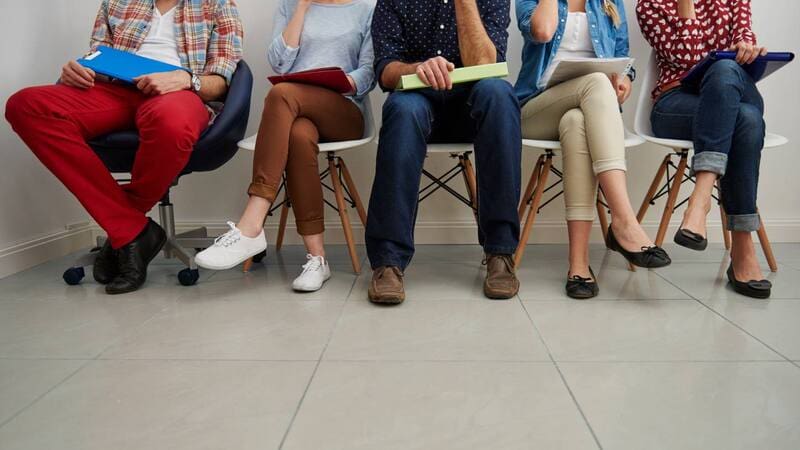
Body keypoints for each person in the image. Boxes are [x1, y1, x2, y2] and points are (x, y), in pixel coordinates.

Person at [5, 0, 243, 295]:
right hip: (114, 92)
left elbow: (222, 81)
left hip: (177, 93)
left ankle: (125, 230)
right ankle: (132, 230)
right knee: (26, 106)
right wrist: (78, 69)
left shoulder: (218, 4)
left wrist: (186, 78)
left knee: (171, 122)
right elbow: (97, 58)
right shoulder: (117, 2)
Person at [195, 0, 375, 292]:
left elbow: (369, 72)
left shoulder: (366, 9)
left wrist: (339, 82)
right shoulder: (289, 7)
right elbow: (279, 62)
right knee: (299, 136)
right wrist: (302, 8)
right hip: (297, 112)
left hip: (343, 109)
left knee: (281, 94)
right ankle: (317, 259)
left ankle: (252, 222)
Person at [365, 0, 522, 304]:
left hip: (474, 108)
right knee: (400, 106)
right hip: (418, 99)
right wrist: (417, 68)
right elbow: (385, 69)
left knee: (500, 94)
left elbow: (486, 65)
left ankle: (500, 253)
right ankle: (388, 261)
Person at [515, 0, 671, 299]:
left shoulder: (609, 2)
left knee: (576, 123)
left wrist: (625, 80)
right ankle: (624, 220)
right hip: (535, 108)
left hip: (588, 111)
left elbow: (624, 60)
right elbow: (542, 32)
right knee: (597, 83)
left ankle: (579, 265)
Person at [637, 0, 772, 299]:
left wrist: (748, 50)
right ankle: (742, 248)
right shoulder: (650, 5)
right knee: (747, 120)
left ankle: (700, 199)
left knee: (726, 70)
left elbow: (743, 39)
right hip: (675, 105)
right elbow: (688, 61)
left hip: (732, 91)